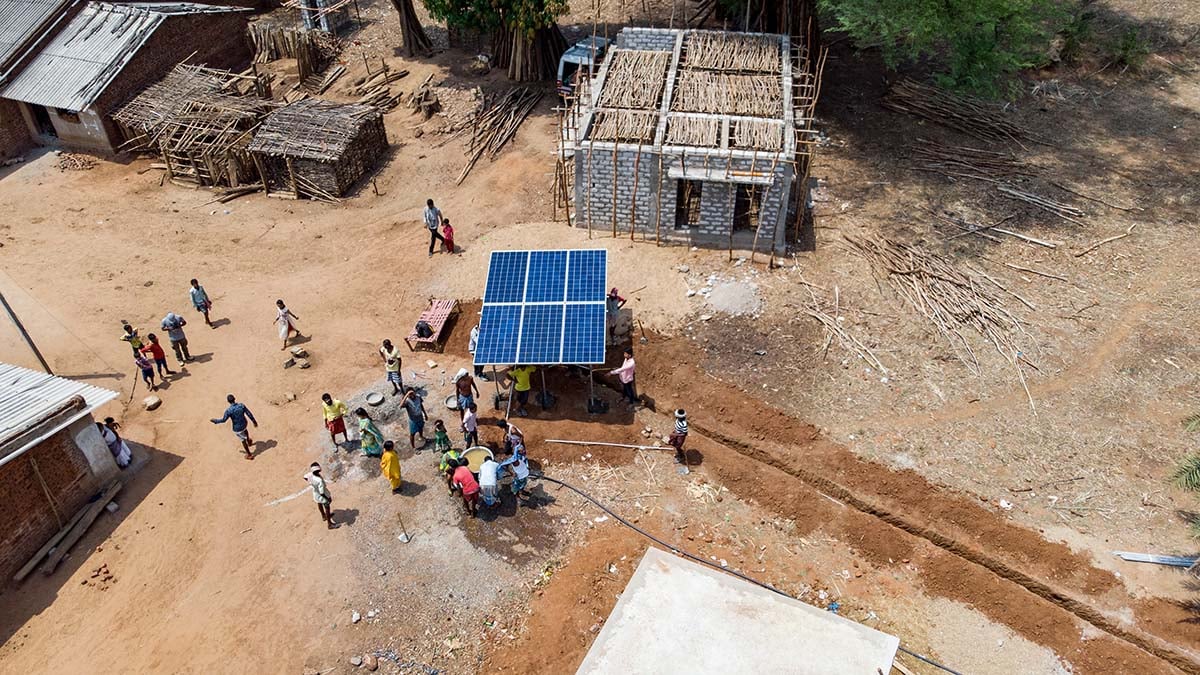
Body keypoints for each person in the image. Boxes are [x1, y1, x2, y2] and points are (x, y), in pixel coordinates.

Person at [210, 394, 258, 459]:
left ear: (228, 401)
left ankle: (249, 454)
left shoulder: (229, 411)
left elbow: (224, 420)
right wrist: (254, 421)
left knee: (242, 440)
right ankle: (249, 441)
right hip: (244, 423)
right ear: (234, 399)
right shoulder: (241, 405)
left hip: (237, 428)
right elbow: (249, 413)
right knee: (245, 430)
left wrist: (216, 421)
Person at [304, 463, 337, 529]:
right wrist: (327, 499)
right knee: (327, 507)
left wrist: (311, 482)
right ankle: (329, 524)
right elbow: (322, 493)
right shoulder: (319, 480)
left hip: (316, 494)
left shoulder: (310, 475)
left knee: (319, 503)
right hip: (323, 495)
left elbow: (305, 477)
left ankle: (323, 516)